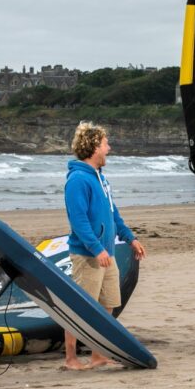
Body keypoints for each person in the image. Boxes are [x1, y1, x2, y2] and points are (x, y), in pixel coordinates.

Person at [62, 122, 146, 370]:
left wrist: (131, 238)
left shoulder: (101, 178)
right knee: (80, 308)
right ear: (93, 147)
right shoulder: (78, 180)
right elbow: (78, 221)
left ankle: (98, 354)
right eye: (105, 143)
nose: (109, 148)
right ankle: (70, 358)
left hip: (106, 253)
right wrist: (96, 248)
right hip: (88, 256)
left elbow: (113, 213)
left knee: (107, 304)